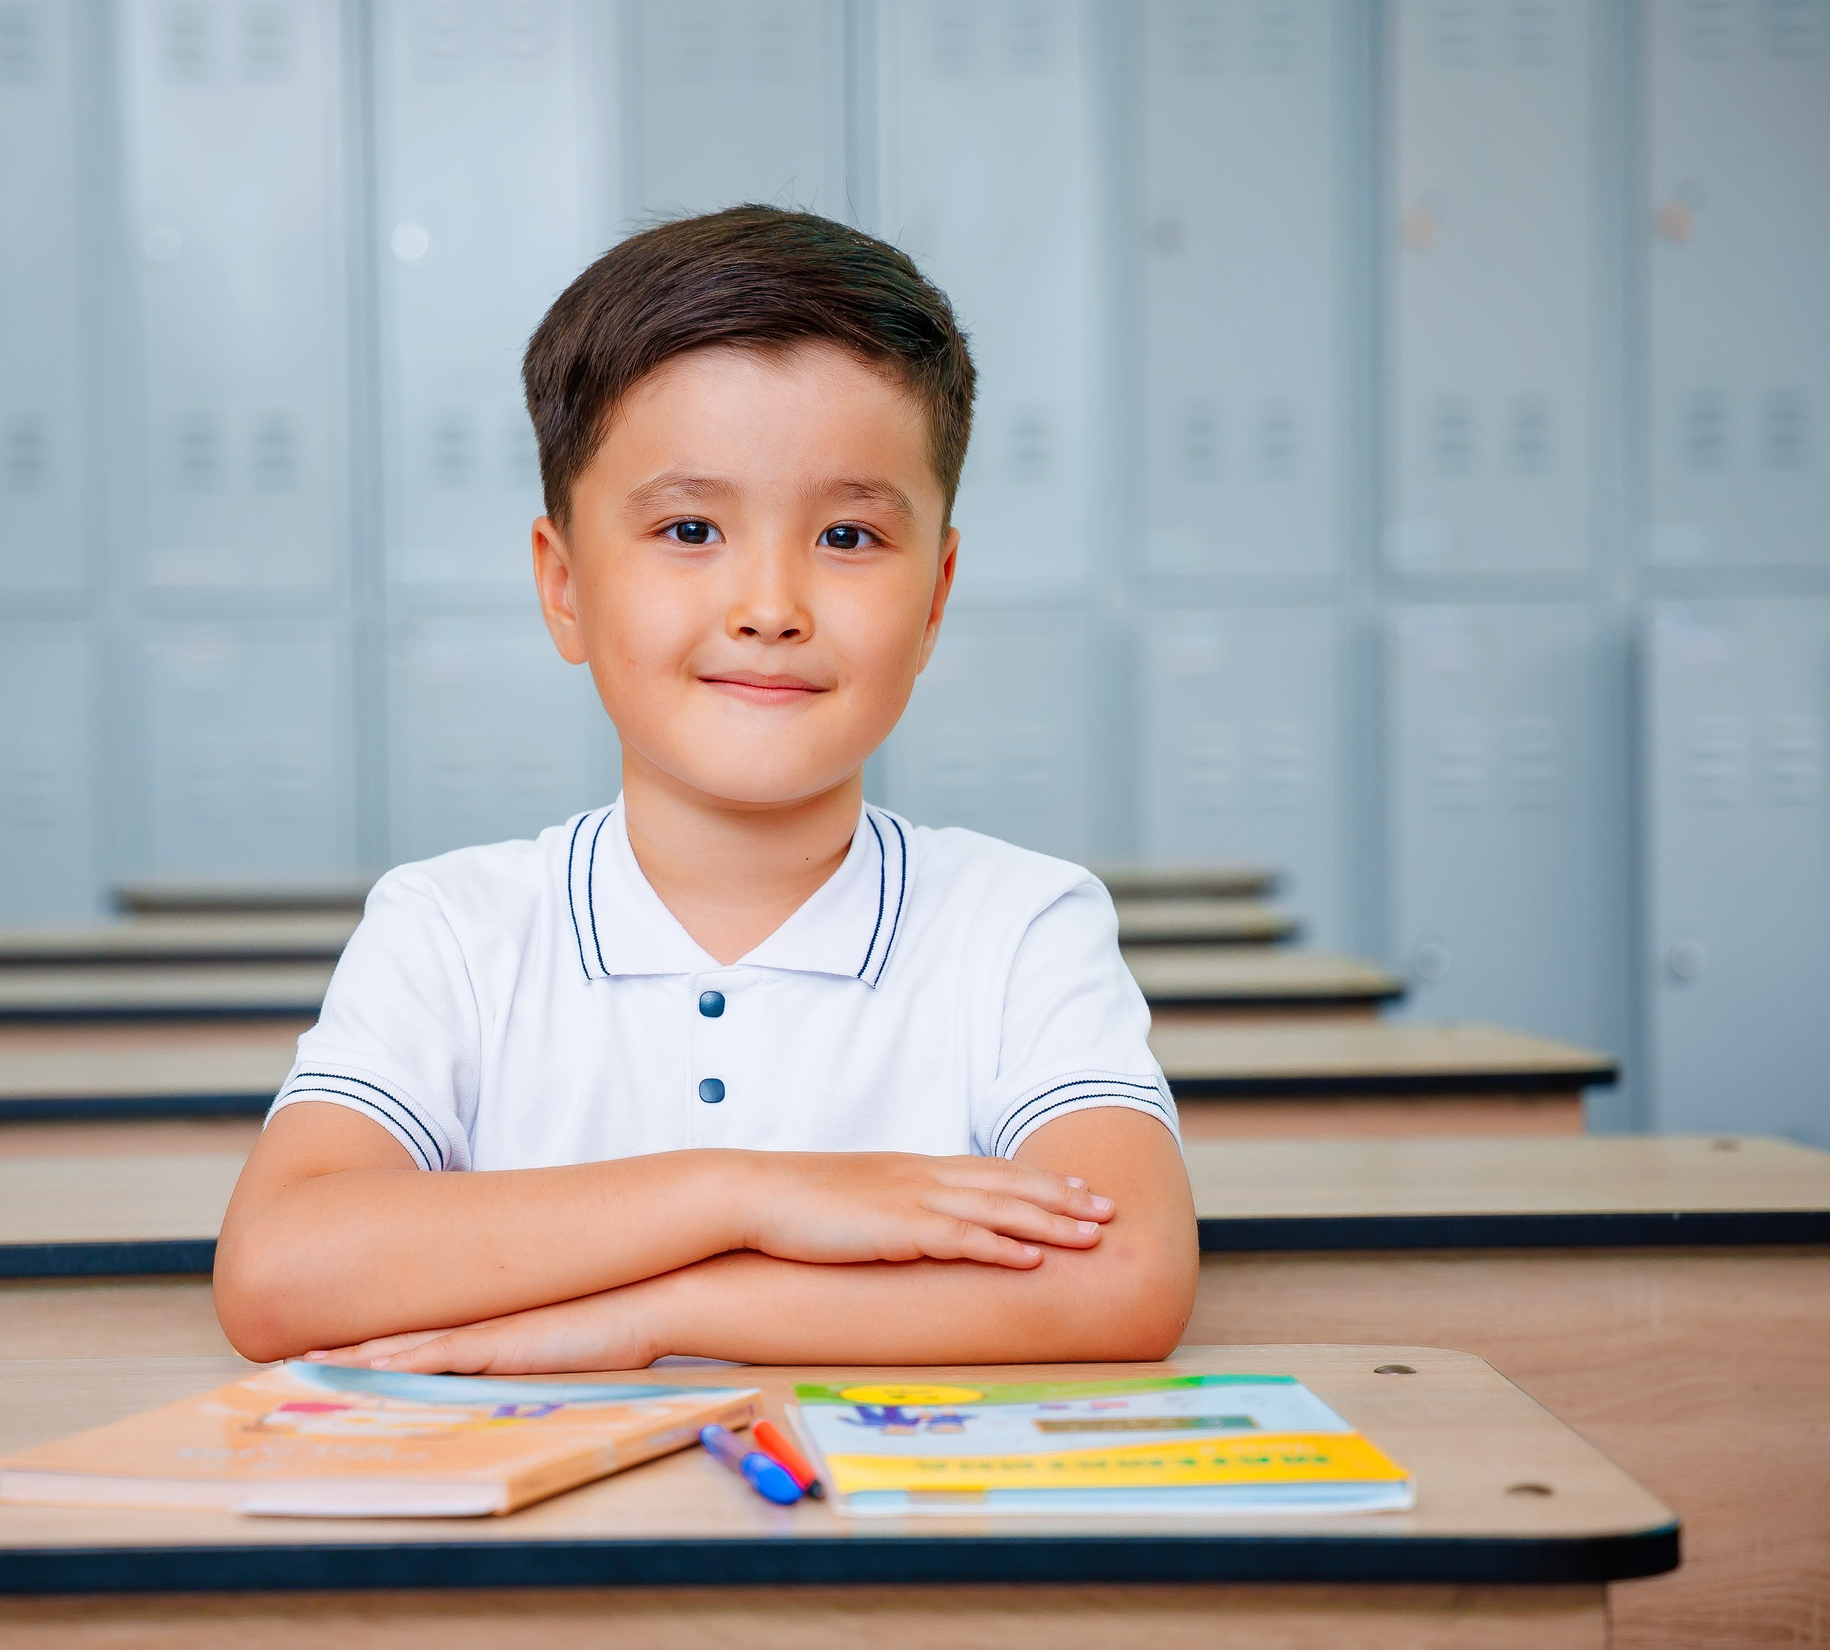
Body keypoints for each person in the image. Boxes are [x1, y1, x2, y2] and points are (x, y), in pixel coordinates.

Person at [214, 205, 1196, 1372]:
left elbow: (1124, 1274)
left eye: (846, 537)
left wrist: (645, 1317)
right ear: (564, 585)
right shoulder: (451, 933)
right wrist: (744, 1195)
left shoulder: (1019, 926)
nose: (769, 604)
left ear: (934, 599)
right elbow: (280, 1273)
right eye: (690, 528)